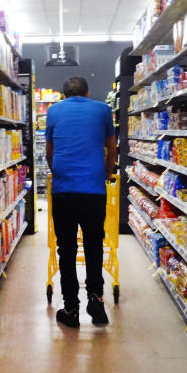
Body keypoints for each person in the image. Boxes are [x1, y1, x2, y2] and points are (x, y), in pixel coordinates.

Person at [45, 76, 117, 328]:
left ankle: (71, 309)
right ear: (87, 92)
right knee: (94, 246)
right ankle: (96, 299)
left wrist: (58, 174)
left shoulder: (53, 111)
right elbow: (112, 147)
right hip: (94, 191)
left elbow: (49, 151)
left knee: (66, 250)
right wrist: (106, 174)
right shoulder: (103, 109)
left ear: (64, 94)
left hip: (64, 191)